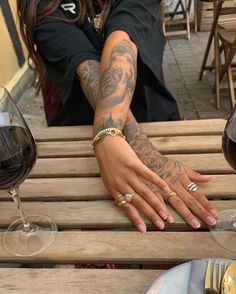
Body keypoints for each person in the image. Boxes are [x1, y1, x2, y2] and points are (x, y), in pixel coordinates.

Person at [17, 0, 217, 233]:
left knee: (169, 223)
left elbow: (123, 42)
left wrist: (119, 139)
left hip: (154, 120)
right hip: (79, 136)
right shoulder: (39, 3)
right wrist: (111, 136)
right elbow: (86, 67)